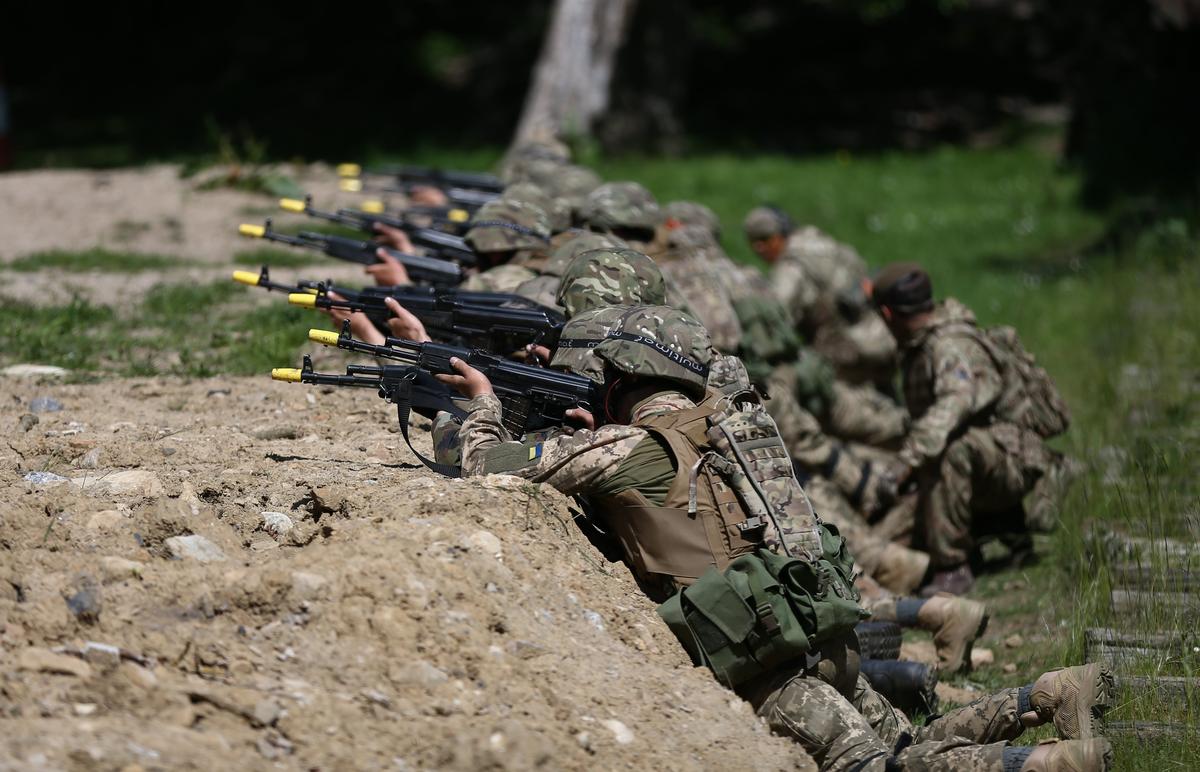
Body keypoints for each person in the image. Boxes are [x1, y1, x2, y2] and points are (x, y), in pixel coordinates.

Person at [436, 305, 1112, 772]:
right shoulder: (729, 424)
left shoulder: (623, 445)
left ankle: (1049, 762)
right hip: (818, 627)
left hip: (763, 657)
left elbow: (482, 469)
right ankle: (1047, 695)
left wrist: (484, 404)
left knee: (878, 767)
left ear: (624, 384)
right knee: (912, 738)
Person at [870, 263, 1070, 596]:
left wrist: (901, 467)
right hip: (1001, 456)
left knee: (949, 449)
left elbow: (952, 408)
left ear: (888, 313)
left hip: (1016, 463)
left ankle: (952, 568)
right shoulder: (925, 343)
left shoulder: (949, 347)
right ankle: (1001, 528)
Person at [743, 205, 897, 388]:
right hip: (883, 335)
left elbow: (775, 319)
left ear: (781, 233)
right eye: (753, 241)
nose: (759, 248)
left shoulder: (790, 268)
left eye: (765, 239)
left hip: (848, 352)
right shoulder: (821, 242)